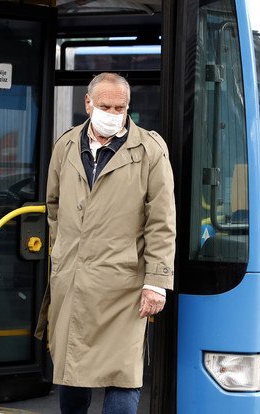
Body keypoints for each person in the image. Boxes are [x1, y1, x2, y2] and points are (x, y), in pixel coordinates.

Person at [35, 73, 176, 414]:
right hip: (74, 280)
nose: (113, 113)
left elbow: (162, 221)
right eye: (105, 106)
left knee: (123, 374)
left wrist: (156, 282)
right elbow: (53, 208)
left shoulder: (150, 150)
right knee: (71, 370)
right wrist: (67, 255)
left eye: (120, 107)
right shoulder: (66, 144)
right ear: (88, 104)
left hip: (124, 285)